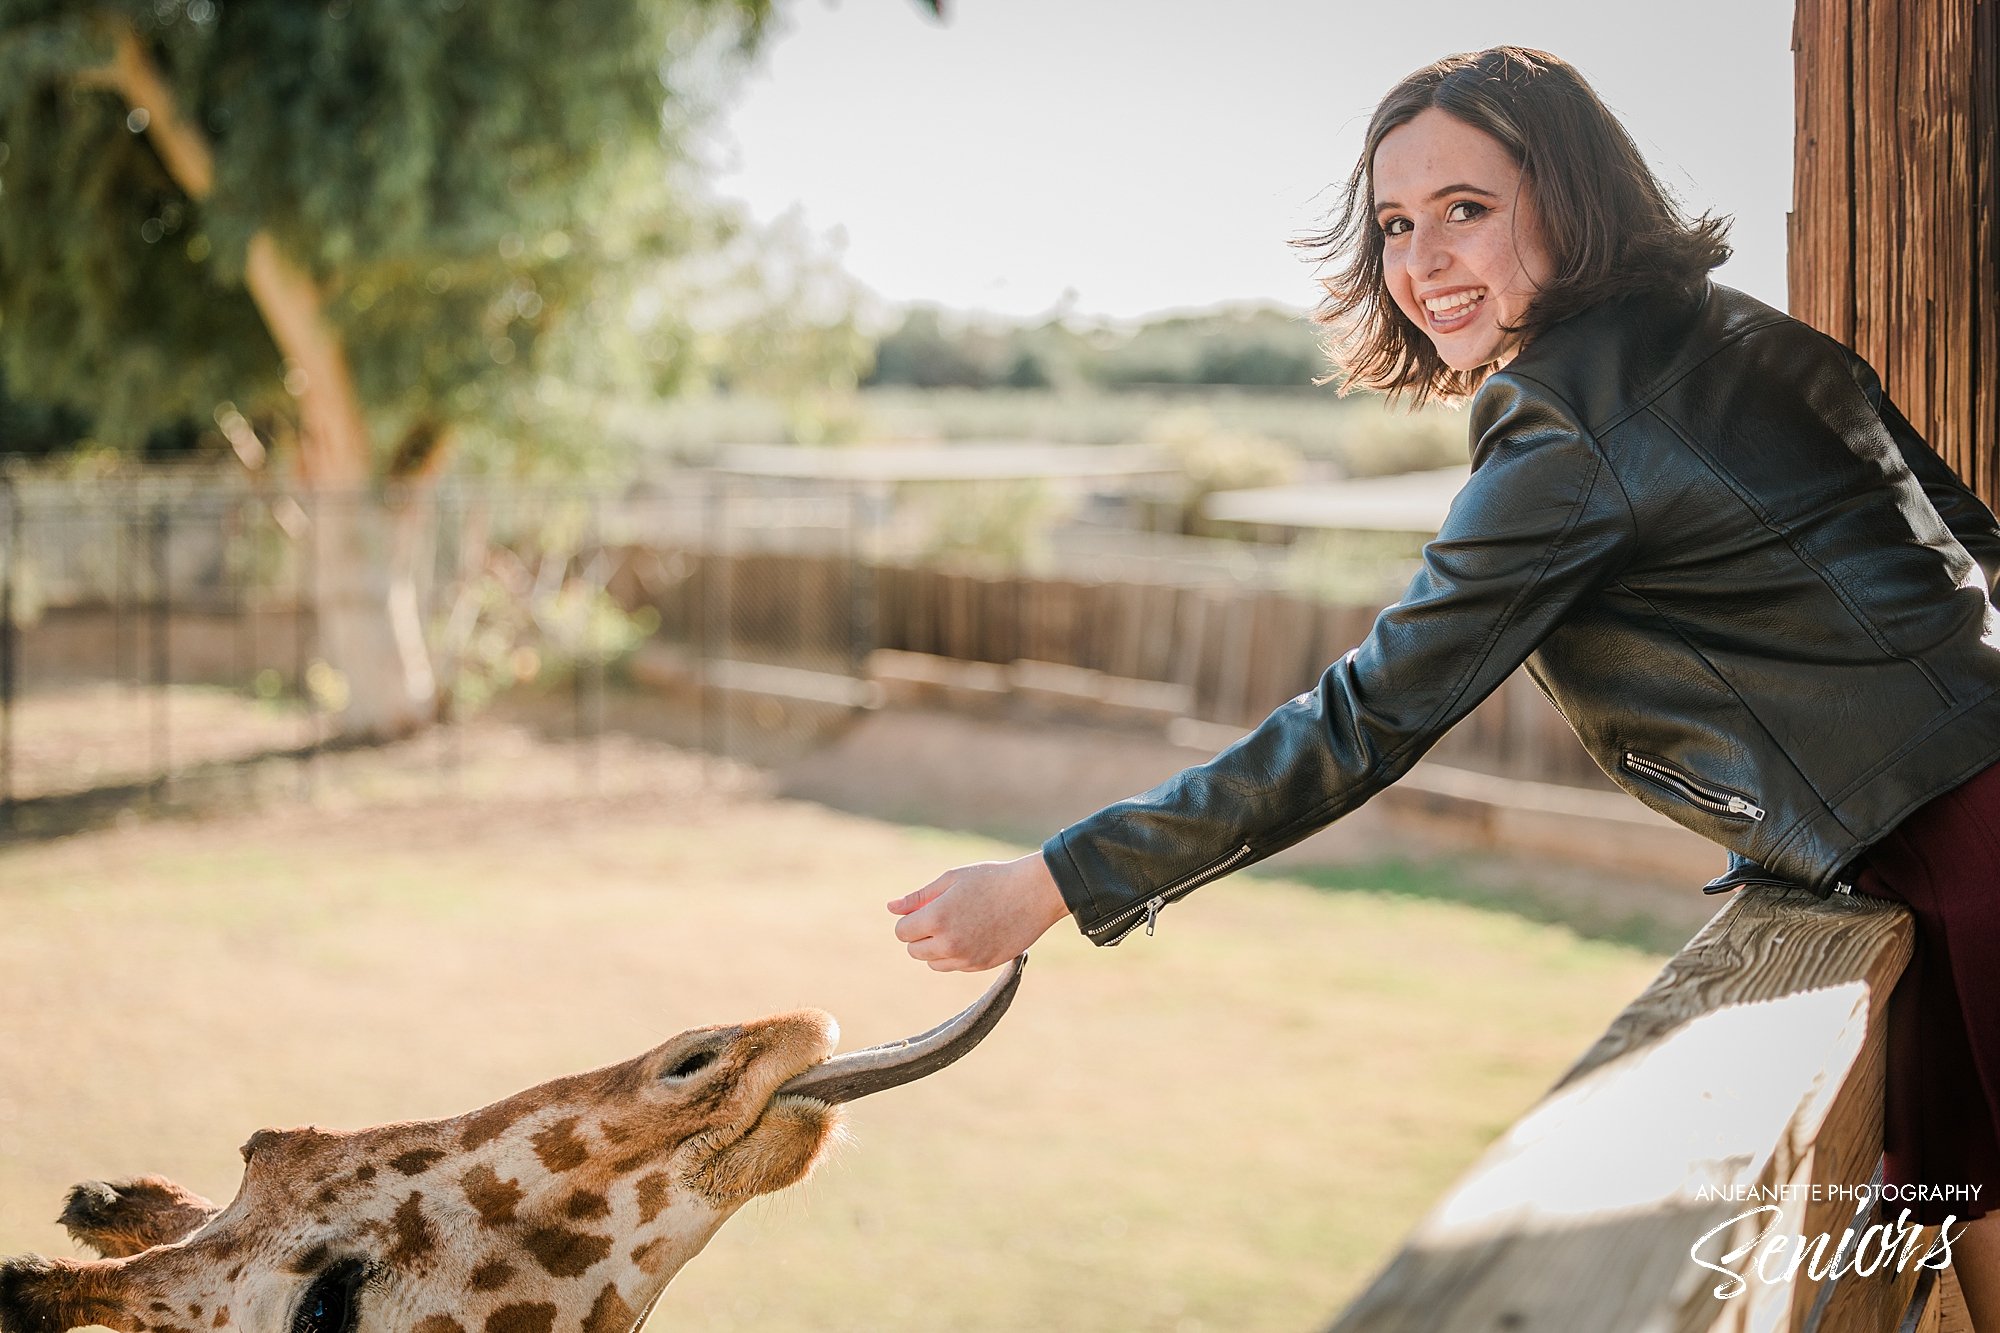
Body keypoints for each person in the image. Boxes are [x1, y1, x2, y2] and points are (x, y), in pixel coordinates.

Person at [886, 45, 2000, 1325]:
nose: (1419, 264)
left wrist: (1051, 880)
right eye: (1394, 226)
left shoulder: (1563, 420)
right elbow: (1966, 533)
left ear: (1569, 194)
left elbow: (1367, 715)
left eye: (1464, 208)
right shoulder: (1734, 325)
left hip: (1956, 853)